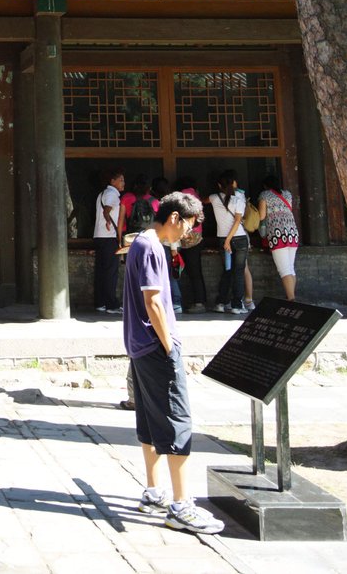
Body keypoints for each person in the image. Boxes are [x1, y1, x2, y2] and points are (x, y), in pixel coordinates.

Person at [122, 190, 223, 535]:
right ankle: (181, 505)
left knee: (150, 422)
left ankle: (154, 490)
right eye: (188, 226)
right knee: (177, 422)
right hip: (155, 346)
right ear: (175, 218)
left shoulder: (143, 243)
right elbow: (154, 303)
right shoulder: (152, 247)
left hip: (139, 346)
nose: (188, 234)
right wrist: (170, 348)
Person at [245, 174, 300, 300]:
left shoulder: (265, 195)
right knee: (290, 268)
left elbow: (262, 216)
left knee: (284, 270)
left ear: (265, 186)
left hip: (277, 234)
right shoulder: (287, 194)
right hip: (292, 233)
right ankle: (291, 296)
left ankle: (291, 299)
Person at [208, 170, 249, 314]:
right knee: (238, 272)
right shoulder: (239, 199)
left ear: (219, 185)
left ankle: (220, 303)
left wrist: (226, 241)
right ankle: (237, 305)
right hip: (239, 239)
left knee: (227, 271)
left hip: (223, 239)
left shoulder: (213, 198)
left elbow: (200, 201)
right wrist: (229, 240)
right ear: (233, 184)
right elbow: (238, 221)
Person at [92, 167, 126, 315]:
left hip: (99, 237)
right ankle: (111, 304)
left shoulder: (101, 194)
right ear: (112, 181)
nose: (123, 183)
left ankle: (100, 303)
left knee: (101, 271)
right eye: (121, 180)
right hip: (108, 237)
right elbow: (107, 210)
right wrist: (107, 221)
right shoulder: (112, 194)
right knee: (111, 272)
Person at [172, 175, 208, 313]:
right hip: (197, 237)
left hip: (186, 237)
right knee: (196, 272)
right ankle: (199, 302)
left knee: (179, 270)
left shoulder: (183, 195)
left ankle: (189, 303)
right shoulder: (196, 195)